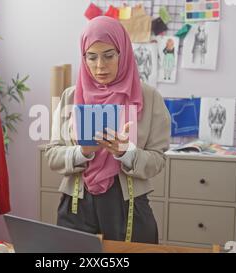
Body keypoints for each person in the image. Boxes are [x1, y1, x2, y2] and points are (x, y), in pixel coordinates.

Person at [45, 16, 170, 244]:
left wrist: (126, 153)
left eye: (109, 56)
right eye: (91, 57)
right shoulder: (70, 97)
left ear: (123, 53)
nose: (100, 66)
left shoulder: (149, 97)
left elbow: (158, 160)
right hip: (77, 203)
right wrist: (82, 152)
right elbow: (52, 155)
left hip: (128, 205)